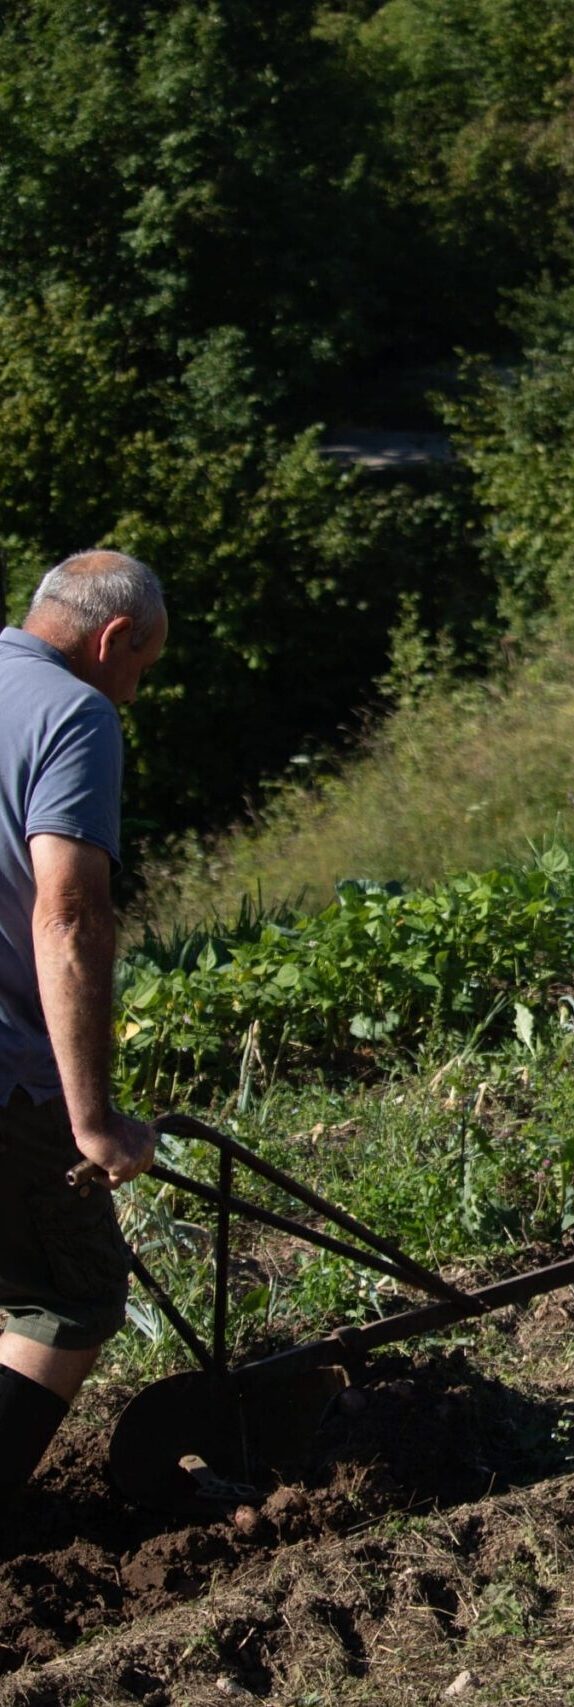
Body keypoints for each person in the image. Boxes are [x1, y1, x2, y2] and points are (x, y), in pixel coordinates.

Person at [0, 550, 165, 1498]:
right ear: (112, 640)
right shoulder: (74, 712)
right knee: (71, 1292)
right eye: (142, 668)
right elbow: (68, 913)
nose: (134, 693)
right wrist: (92, 1119)